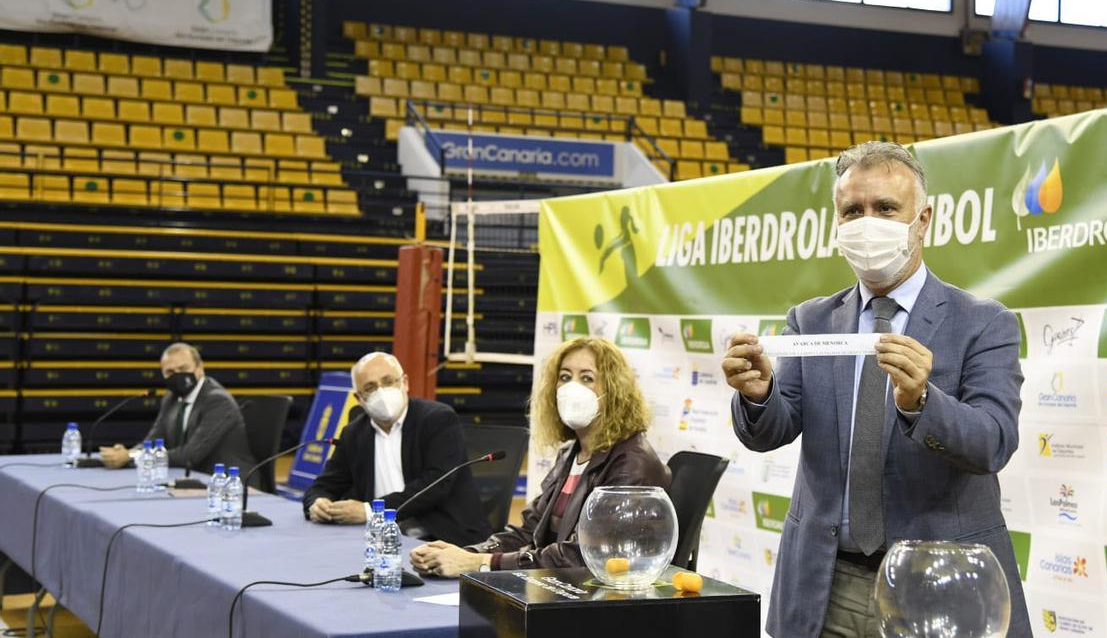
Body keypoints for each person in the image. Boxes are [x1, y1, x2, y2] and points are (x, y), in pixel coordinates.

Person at [723, 141, 1031, 637]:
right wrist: (759, 394)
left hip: (938, 583)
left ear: (923, 219)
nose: (868, 222)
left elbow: (994, 442)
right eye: (853, 211)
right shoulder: (811, 320)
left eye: (886, 208)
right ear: (837, 224)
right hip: (827, 583)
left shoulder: (983, 323)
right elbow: (772, 430)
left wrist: (922, 404)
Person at [410, 336, 670, 577]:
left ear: (614, 391)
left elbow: (584, 556)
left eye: (587, 378)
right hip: (552, 587)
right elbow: (528, 532)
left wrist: (480, 564)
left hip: (594, 600)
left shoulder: (632, 463)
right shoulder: (572, 453)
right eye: (565, 377)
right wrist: (468, 553)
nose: (571, 387)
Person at [302, 352, 491, 546]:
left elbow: (435, 485)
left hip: (443, 539)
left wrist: (371, 511)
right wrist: (318, 503)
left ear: (405, 383)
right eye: (370, 388)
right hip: (380, 542)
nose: (381, 392)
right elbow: (323, 485)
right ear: (359, 398)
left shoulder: (438, 419)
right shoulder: (354, 433)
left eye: (388, 381)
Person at [99, 342, 256, 477]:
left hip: (227, 484)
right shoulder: (171, 398)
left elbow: (191, 455)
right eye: (170, 372)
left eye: (183, 368)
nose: (178, 376)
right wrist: (127, 453)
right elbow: (153, 441)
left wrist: (131, 457)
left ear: (200, 368)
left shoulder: (217, 401)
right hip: (189, 479)